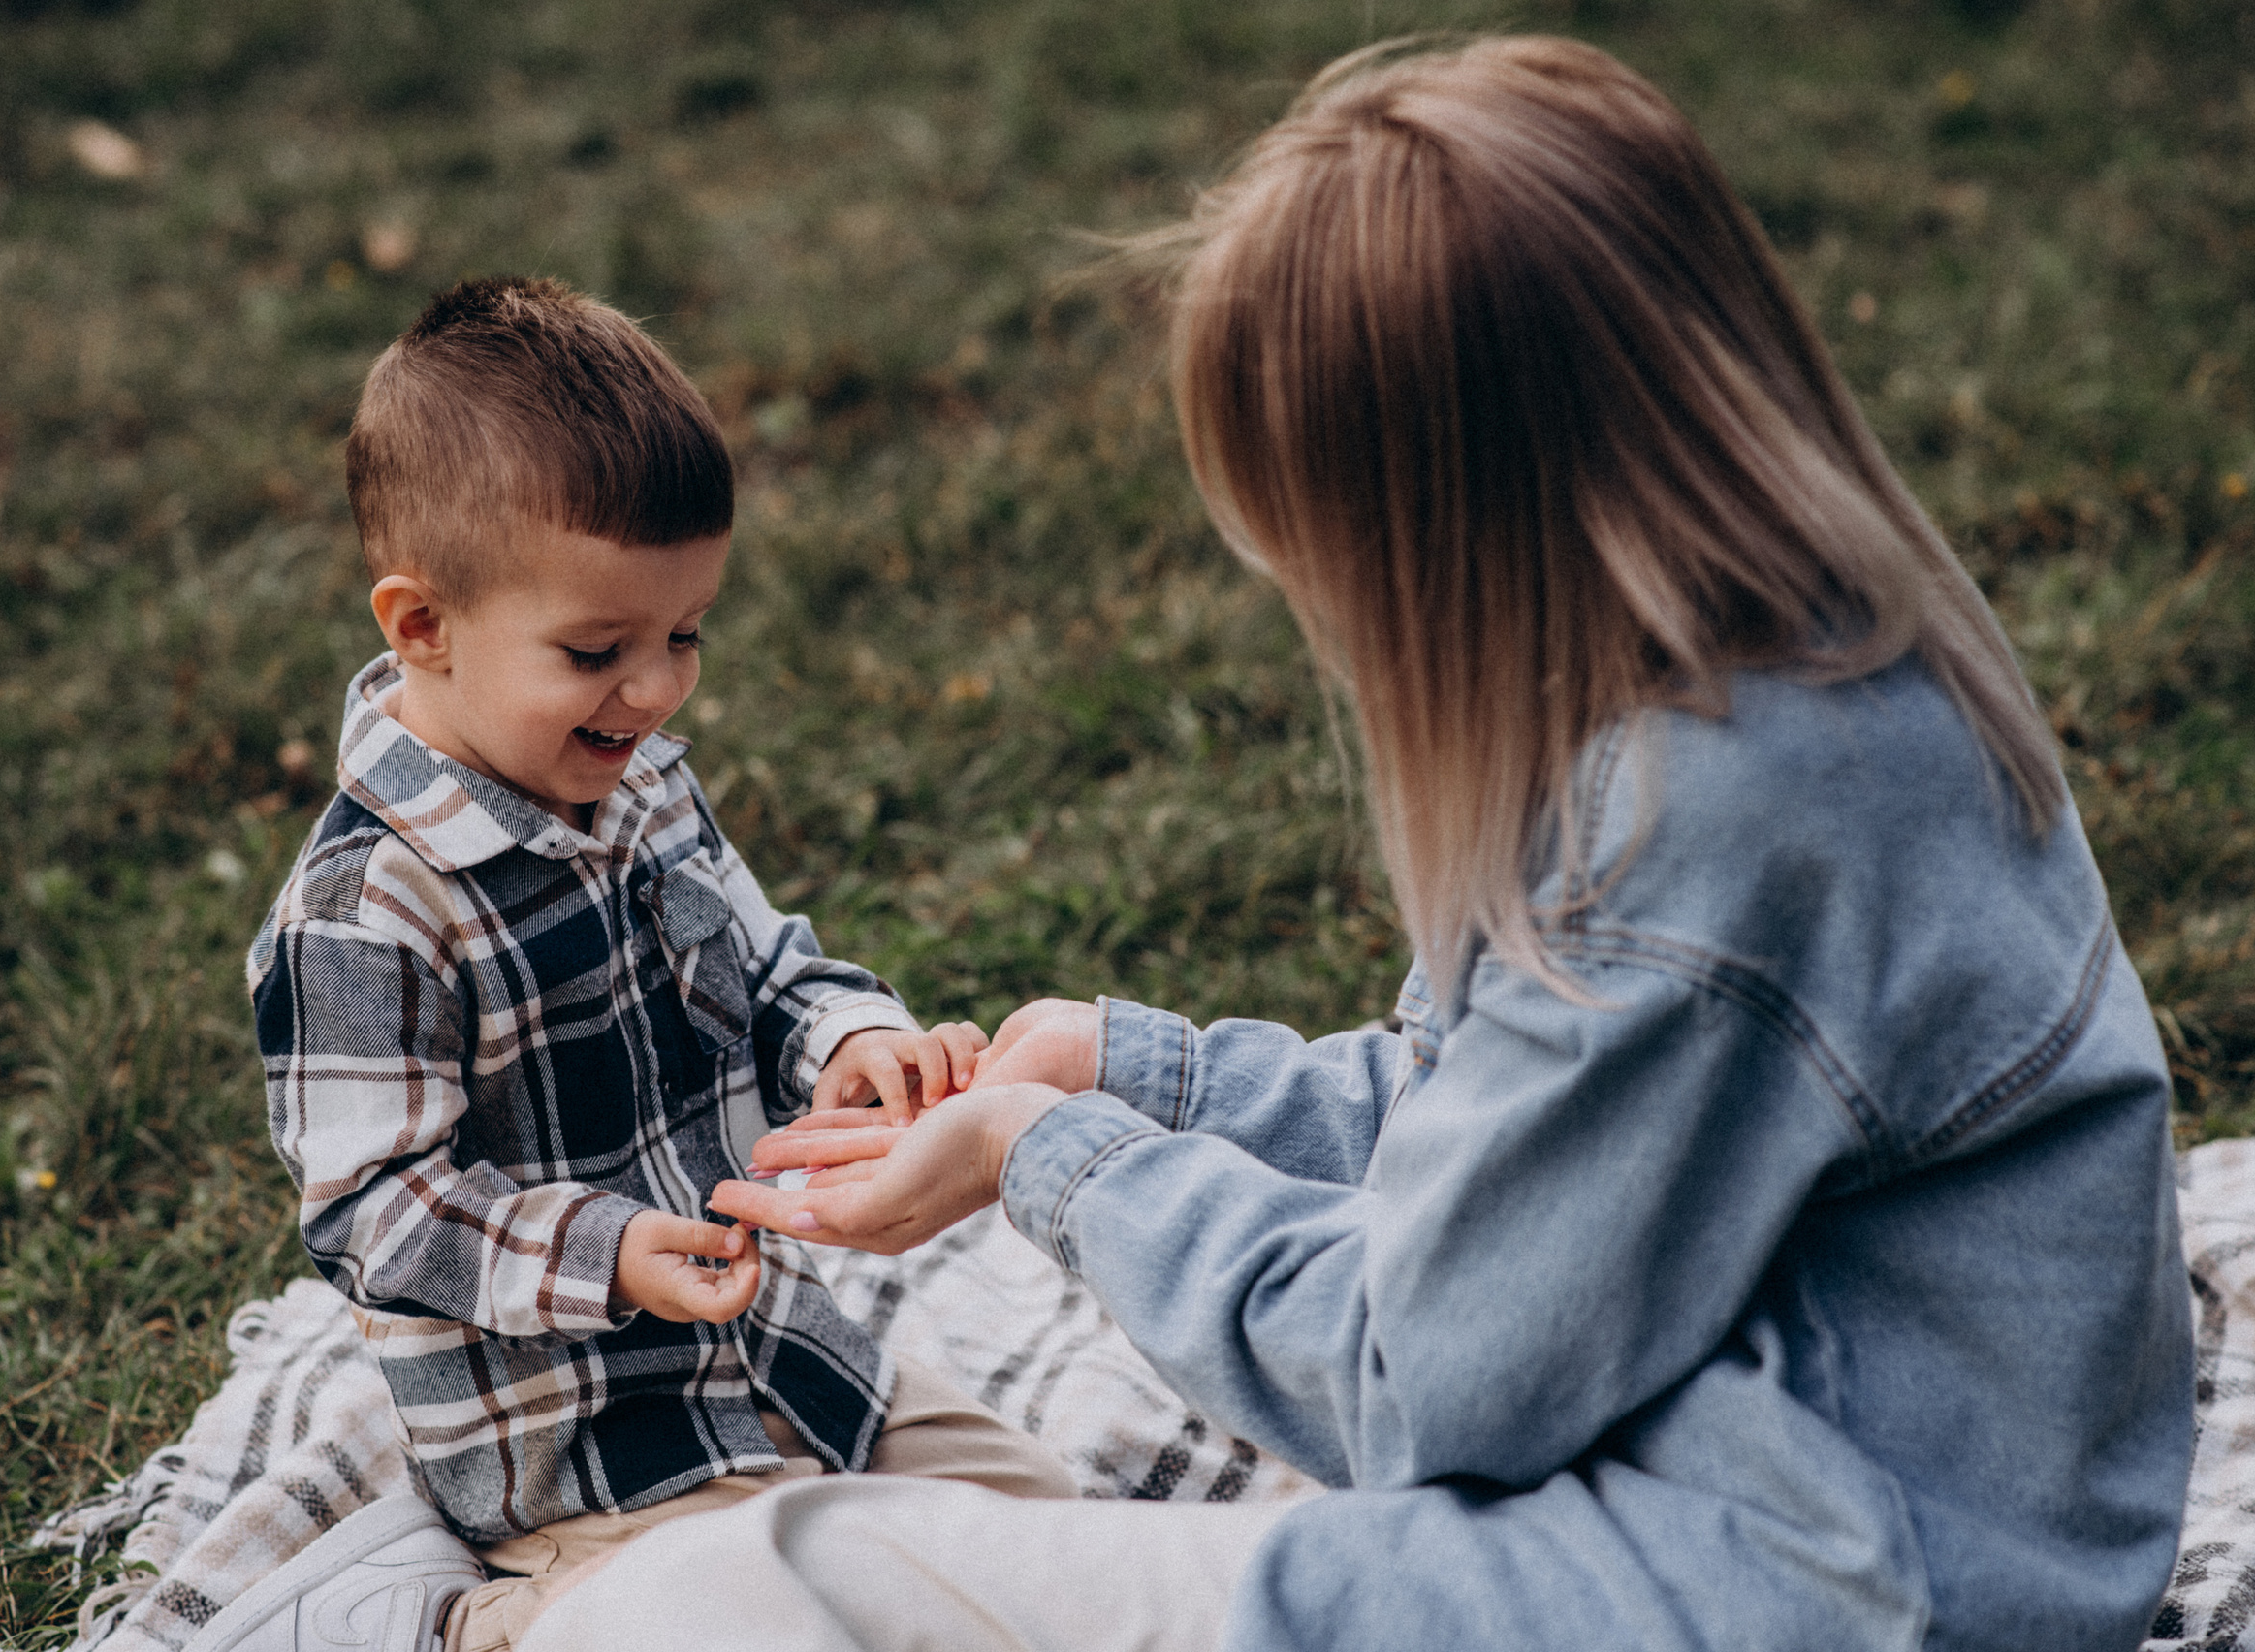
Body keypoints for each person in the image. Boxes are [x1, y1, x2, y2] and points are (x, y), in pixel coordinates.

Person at [604, 33, 2177, 1652]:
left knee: (732, 1594)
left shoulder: (1709, 835)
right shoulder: (1816, 659)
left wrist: (1045, 1158)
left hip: (1820, 1590)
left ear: (1433, 525)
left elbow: (1417, 1382)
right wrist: (1136, 1074)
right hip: (1832, 1515)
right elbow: (1514, 1153)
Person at [197, 277, 1072, 1652]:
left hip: (785, 1359)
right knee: (783, 1618)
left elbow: (766, 963)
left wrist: (849, 1042)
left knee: (1061, 1547)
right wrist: (609, 1256)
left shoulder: (643, 780)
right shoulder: (367, 913)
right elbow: (374, 1210)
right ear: (421, 627)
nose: (657, 690)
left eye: (685, 636)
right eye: (598, 650)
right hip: (578, 1445)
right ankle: (514, 1624)